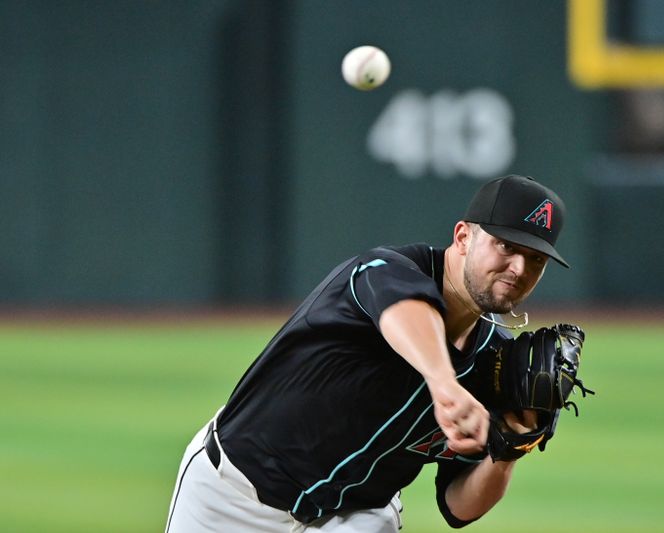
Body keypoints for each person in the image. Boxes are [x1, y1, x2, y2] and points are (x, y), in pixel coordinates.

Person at [165, 174, 571, 532]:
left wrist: (512, 446)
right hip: (230, 494)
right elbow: (405, 310)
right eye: (505, 246)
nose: (518, 268)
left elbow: (457, 506)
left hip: (354, 518)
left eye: (535, 259)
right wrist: (444, 382)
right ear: (463, 237)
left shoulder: (494, 364)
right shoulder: (387, 269)